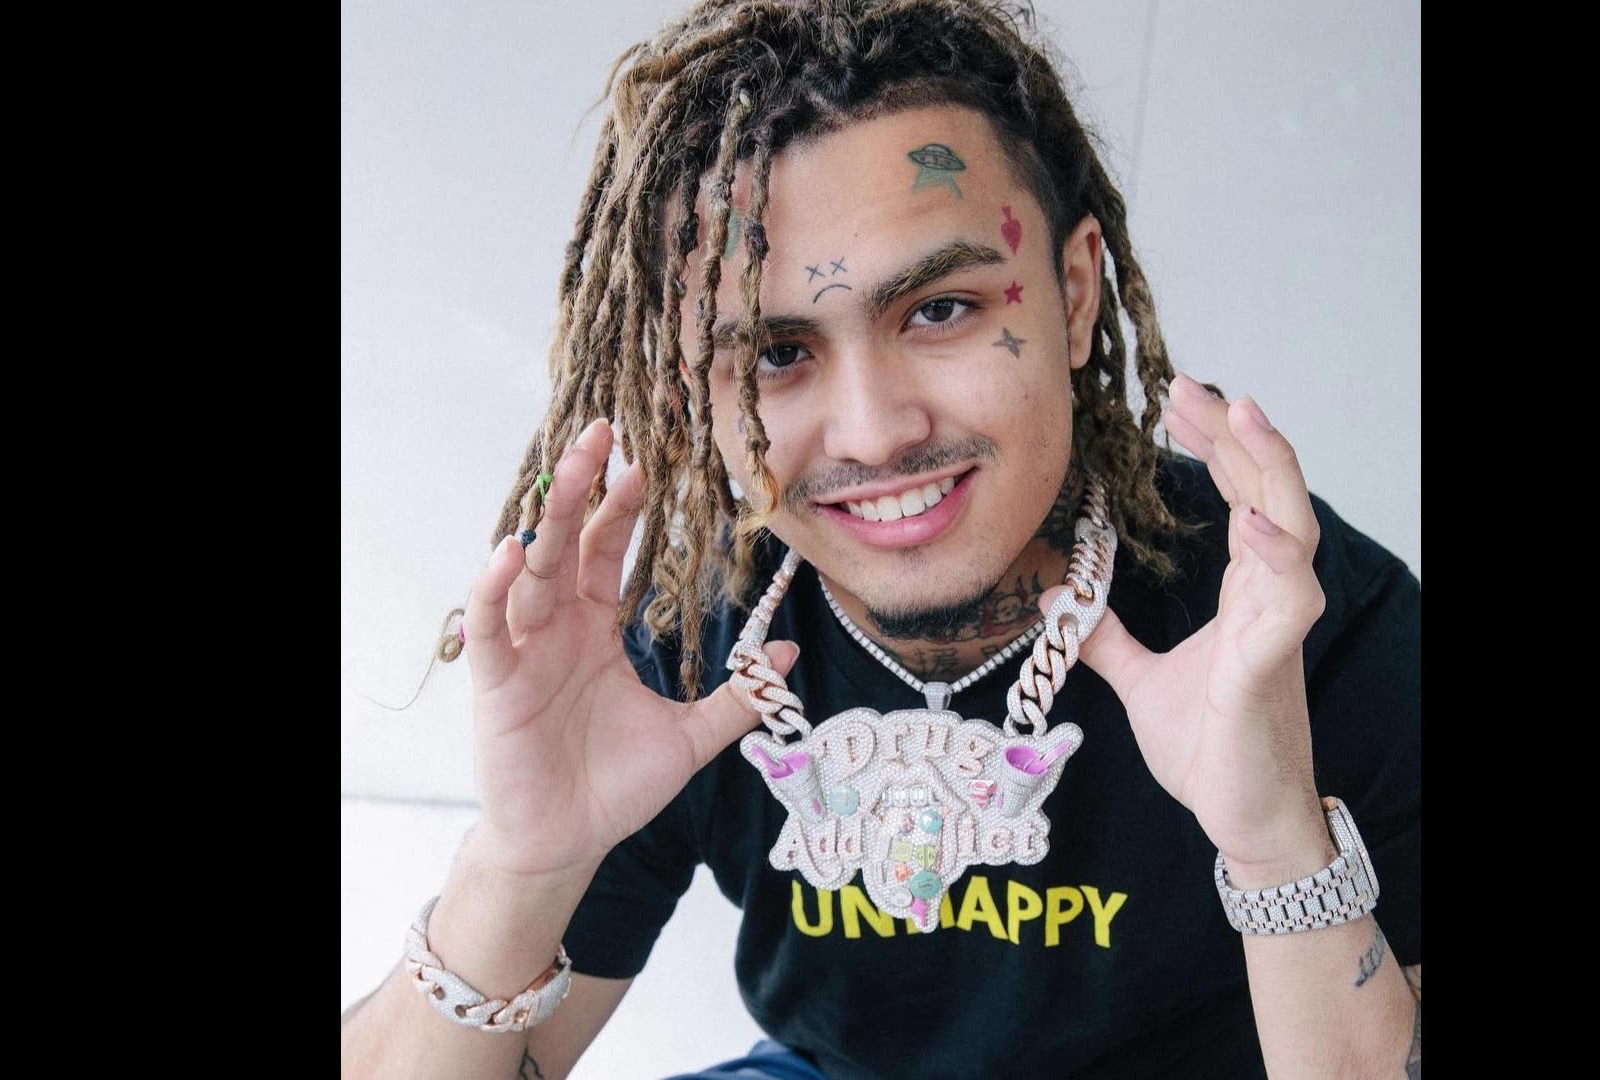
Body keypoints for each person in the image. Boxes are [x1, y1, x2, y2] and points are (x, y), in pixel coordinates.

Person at [341, 1, 1421, 1076]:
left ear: (1075, 291)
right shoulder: (686, 656)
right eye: (776, 354)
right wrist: (519, 868)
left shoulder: (1289, 624)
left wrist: (1279, 839)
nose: (873, 432)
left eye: (939, 310)